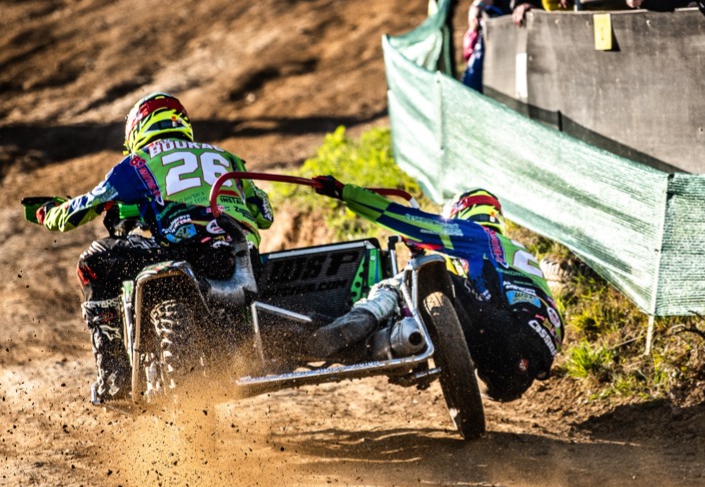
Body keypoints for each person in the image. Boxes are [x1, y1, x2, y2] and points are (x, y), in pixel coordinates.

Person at [23, 93, 274, 404]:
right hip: (240, 254)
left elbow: (81, 209)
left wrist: (49, 213)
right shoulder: (226, 158)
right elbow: (265, 215)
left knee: (93, 262)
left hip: (185, 251)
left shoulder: (140, 162)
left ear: (138, 129)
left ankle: (114, 375)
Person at [309, 180, 562, 403]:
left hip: (507, 331)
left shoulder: (477, 235)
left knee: (412, 278)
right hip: (534, 356)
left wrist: (346, 192)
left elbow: (410, 221)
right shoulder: (515, 252)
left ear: (461, 213)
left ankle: (358, 320)